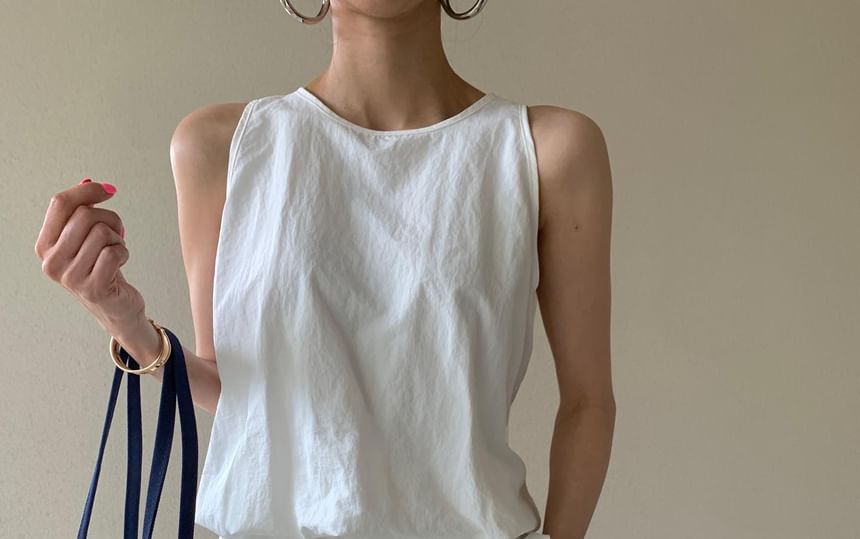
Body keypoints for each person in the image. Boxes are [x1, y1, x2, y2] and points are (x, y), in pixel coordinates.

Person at [35, 1, 615, 537]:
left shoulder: (545, 150)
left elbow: (588, 400)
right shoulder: (222, 146)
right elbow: (237, 389)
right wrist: (121, 319)